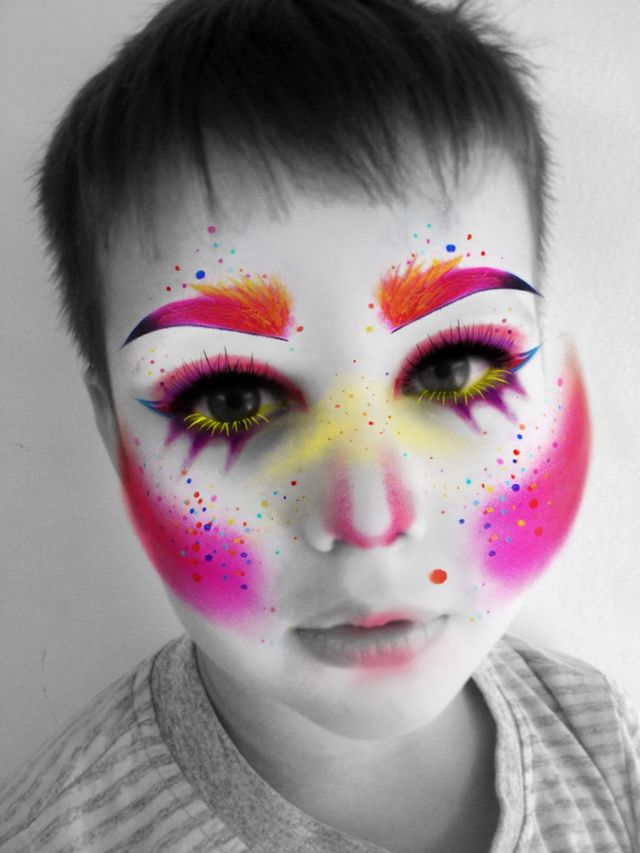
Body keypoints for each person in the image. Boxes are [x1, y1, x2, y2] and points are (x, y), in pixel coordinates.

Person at [1, 0, 638, 850]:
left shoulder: (598, 731)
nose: (370, 515)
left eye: (452, 368)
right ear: (114, 438)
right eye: (231, 398)